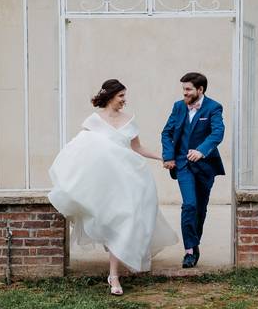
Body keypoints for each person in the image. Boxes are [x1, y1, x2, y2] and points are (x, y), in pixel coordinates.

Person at [48, 78, 177, 296]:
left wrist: (162, 157)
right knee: (111, 222)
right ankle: (114, 273)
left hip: (129, 179)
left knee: (126, 220)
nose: (124, 101)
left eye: (125, 96)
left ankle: (114, 275)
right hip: (105, 184)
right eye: (121, 96)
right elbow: (81, 152)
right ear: (109, 96)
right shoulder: (93, 121)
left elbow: (137, 148)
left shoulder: (129, 120)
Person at [160, 71, 225, 269]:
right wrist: (169, 156)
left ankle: (194, 243)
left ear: (200, 89)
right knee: (189, 205)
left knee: (200, 208)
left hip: (205, 166)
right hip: (183, 165)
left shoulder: (213, 107)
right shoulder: (178, 107)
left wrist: (202, 151)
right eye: (183, 89)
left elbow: (217, 132)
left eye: (188, 89)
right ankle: (189, 250)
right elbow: (167, 132)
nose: (184, 93)